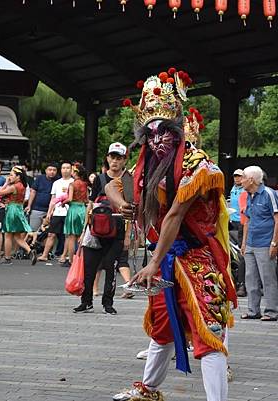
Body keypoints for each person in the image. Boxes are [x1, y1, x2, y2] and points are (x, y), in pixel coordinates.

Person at [108, 71, 236, 401]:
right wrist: (124, 205)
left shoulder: (198, 164)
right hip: (164, 259)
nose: (157, 138)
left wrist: (152, 262)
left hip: (195, 258)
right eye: (150, 132)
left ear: (176, 129)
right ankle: (148, 390)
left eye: (164, 130)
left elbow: (176, 215)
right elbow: (115, 187)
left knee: (209, 334)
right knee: (163, 328)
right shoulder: (146, 163)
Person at [74, 143, 129, 315]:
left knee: (111, 268)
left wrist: (128, 236)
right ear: (107, 158)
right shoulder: (99, 179)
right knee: (89, 268)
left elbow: (131, 210)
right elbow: (90, 205)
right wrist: (84, 231)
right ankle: (86, 301)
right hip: (95, 230)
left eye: (118, 158)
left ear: (124, 160)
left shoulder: (128, 180)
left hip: (117, 230)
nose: (115, 161)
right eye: (112, 157)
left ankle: (108, 303)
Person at [240, 165, 278, 322]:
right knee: (251, 278)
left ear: (251, 179)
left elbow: (277, 219)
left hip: (265, 243)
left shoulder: (269, 194)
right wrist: (243, 243)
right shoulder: (249, 195)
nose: (241, 180)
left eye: (243, 177)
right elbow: (247, 220)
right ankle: (253, 310)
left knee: (267, 278)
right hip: (250, 243)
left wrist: (274, 243)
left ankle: (271, 311)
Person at [0, 166, 37, 266]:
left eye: (11, 175)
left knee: (8, 235)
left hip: (12, 210)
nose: (9, 177)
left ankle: (7, 258)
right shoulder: (23, 186)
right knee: (17, 236)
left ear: (18, 177)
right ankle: (30, 251)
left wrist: (6, 183)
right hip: (19, 209)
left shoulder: (13, 187)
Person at [38, 162, 73, 263]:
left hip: (69, 212)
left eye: (67, 168)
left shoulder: (73, 182)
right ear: (60, 170)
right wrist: (49, 212)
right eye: (63, 168)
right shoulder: (56, 183)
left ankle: (63, 255)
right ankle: (44, 255)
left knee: (67, 235)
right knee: (51, 234)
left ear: (71, 170)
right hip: (57, 212)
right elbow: (53, 199)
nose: (65, 170)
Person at [63, 165, 89, 265]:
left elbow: (69, 199)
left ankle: (71, 260)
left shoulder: (72, 184)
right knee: (81, 236)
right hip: (82, 209)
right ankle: (81, 260)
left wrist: (62, 202)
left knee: (71, 237)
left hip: (73, 210)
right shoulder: (85, 184)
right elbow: (87, 199)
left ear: (76, 173)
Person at [26, 163, 57, 243]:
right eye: (50, 170)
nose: (52, 172)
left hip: (50, 211)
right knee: (33, 231)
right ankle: (29, 250)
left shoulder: (58, 180)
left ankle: (43, 252)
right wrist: (29, 205)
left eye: (54, 170)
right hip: (37, 208)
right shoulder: (40, 178)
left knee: (46, 233)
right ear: (46, 170)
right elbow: (33, 191)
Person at [229, 169, 246, 297]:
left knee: (241, 251)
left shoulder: (245, 190)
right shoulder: (233, 189)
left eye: (239, 176)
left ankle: (242, 283)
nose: (237, 178)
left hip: (243, 222)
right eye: (235, 176)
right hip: (232, 221)